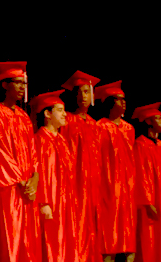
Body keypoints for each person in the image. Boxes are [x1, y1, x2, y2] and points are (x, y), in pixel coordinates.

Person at [0, 61, 40, 262]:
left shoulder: (24, 117)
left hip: (27, 189)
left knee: (29, 241)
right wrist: (21, 182)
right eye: (18, 83)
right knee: (10, 238)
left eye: (24, 84)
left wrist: (34, 179)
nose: (23, 88)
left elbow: (34, 153)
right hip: (7, 189)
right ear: (5, 85)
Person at [30, 89, 79, 262]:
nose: (65, 114)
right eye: (60, 110)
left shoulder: (63, 141)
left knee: (68, 244)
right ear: (47, 113)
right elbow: (38, 172)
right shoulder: (40, 140)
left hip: (66, 203)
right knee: (52, 245)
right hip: (51, 203)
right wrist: (43, 202)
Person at [59, 70, 101, 261]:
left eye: (86, 92)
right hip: (73, 182)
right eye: (80, 92)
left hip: (92, 184)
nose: (83, 96)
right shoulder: (65, 120)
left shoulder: (94, 124)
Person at [94, 81, 137, 262]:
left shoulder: (129, 129)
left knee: (128, 236)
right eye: (119, 99)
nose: (123, 103)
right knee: (109, 236)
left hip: (127, 188)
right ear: (110, 102)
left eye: (124, 99)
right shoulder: (100, 126)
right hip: (108, 186)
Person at [132, 102, 161, 262]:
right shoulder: (140, 144)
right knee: (149, 242)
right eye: (159, 119)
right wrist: (148, 202)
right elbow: (140, 175)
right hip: (150, 205)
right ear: (149, 121)